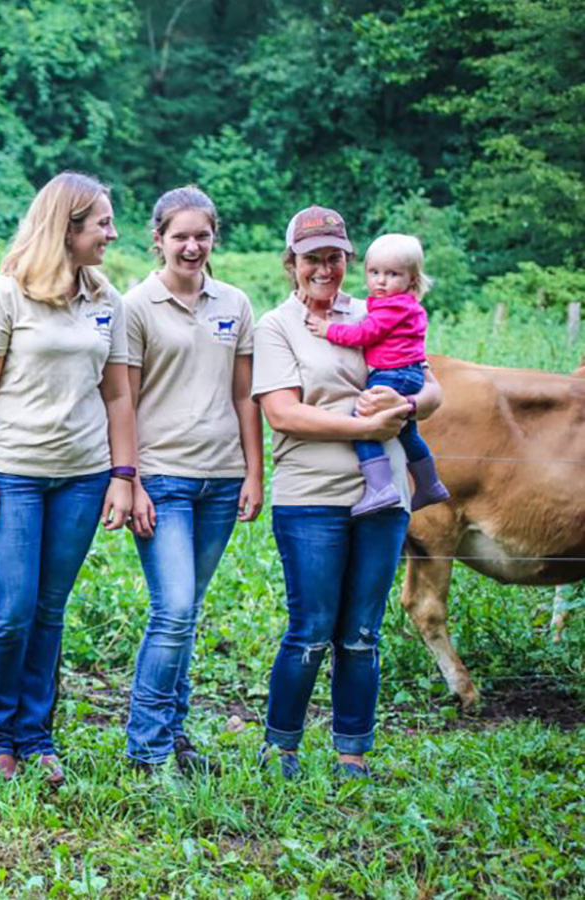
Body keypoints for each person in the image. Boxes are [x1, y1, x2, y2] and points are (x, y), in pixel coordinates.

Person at [252, 206, 444, 780]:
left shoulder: (378, 311)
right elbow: (284, 414)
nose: (325, 268)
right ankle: (281, 746)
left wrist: (405, 407)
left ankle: (352, 753)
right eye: (313, 257)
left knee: (361, 633)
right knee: (310, 629)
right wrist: (366, 428)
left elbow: (431, 387)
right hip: (311, 496)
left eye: (335, 257)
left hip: (382, 502)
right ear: (293, 263)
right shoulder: (277, 326)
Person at [0, 172, 137, 785]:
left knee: (49, 610)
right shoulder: (4, 295)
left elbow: (118, 397)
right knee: (10, 609)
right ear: (68, 227)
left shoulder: (106, 300)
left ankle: (36, 736)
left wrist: (123, 476)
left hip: (83, 479)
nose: (112, 234)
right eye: (103, 225)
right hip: (14, 476)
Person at [121, 186, 262, 775]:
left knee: (189, 610)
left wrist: (255, 471)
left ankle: (175, 737)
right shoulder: (136, 306)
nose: (191, 245)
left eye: (201, 235)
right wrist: (129, 481)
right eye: (179, 235)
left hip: (222, 480)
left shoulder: (235, 303)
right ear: (158, 240)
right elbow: (121, 401)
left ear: (214, 238)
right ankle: (147, 750)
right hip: (162, 480)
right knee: (173, 609)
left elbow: (244, 394)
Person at [305, 233, 450, 515]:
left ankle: (379, 486)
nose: (381, 281)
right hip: (409, 373)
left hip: (393, 373)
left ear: (412, 279)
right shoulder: (404, 305)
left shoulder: (393, 306)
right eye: (374, 272)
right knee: (407, 431)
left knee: (362, 423)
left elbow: (365, 333)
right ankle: (429, 483)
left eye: (393, 274)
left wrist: (327, 330)